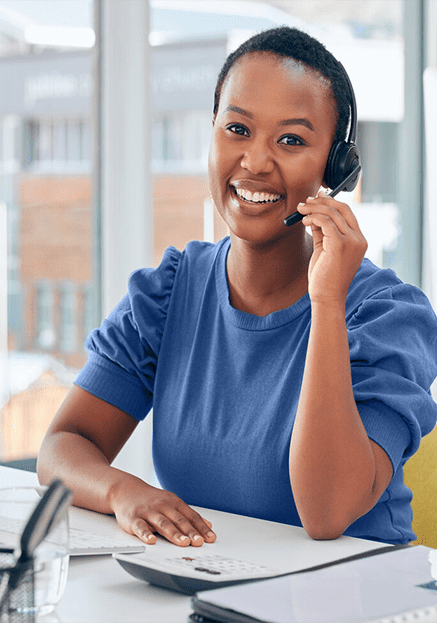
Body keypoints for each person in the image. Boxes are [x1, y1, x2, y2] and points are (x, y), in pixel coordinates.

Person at [37, 26, 437, 548]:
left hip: (353, 598)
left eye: (291, 140)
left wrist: (327, 302)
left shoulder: (385, 315)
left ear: (336, 168)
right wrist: (122, 492)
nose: (255, 162)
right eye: (237, 129)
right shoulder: (170, 292)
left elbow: (327, 513)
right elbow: (64, 445)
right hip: (216, 589)